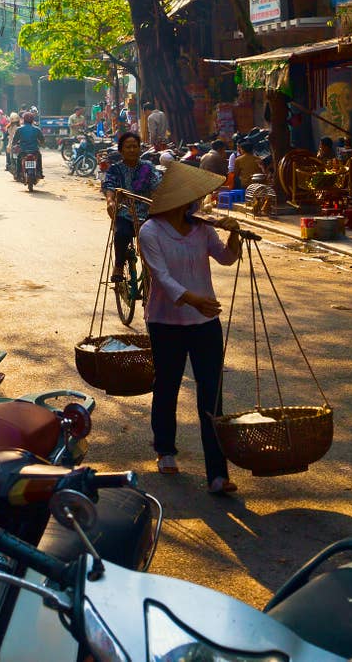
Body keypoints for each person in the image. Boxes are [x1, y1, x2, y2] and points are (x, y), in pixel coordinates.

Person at [138, 161, 241, 491]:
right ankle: (165, 448)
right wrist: (194, 299)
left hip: (205, 321)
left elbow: (226, 258)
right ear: (179, 200)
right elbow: (162, 278)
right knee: (166, 384)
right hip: (166, 322)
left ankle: (218, 473)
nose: (200, 203)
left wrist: (235, 233)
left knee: (212, 393)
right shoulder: (150, 232)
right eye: (194, 198)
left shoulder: (202, 228)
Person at [102, 131, 162, 282]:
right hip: (125, 212)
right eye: (128, 147)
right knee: (121, 233)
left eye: (135, 146)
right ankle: (119, 266)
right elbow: (109, 186)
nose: (132, 150)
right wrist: (110, 201)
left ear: (140, 149)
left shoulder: (148, 167)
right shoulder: (115, 169)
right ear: (121, 150)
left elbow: (157, 185)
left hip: (147, 212)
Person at [11, 111, 45, 179]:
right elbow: (42, 140)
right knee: (39, 158)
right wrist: (42, 143)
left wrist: (14, 144)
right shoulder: (37, 129)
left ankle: (18, 174)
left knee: (18, 159)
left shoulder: (19, 129)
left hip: (23, 151)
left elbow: (14, 140)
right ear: (32, 120)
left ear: (24, 120)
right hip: (34, 150)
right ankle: (40, 173)